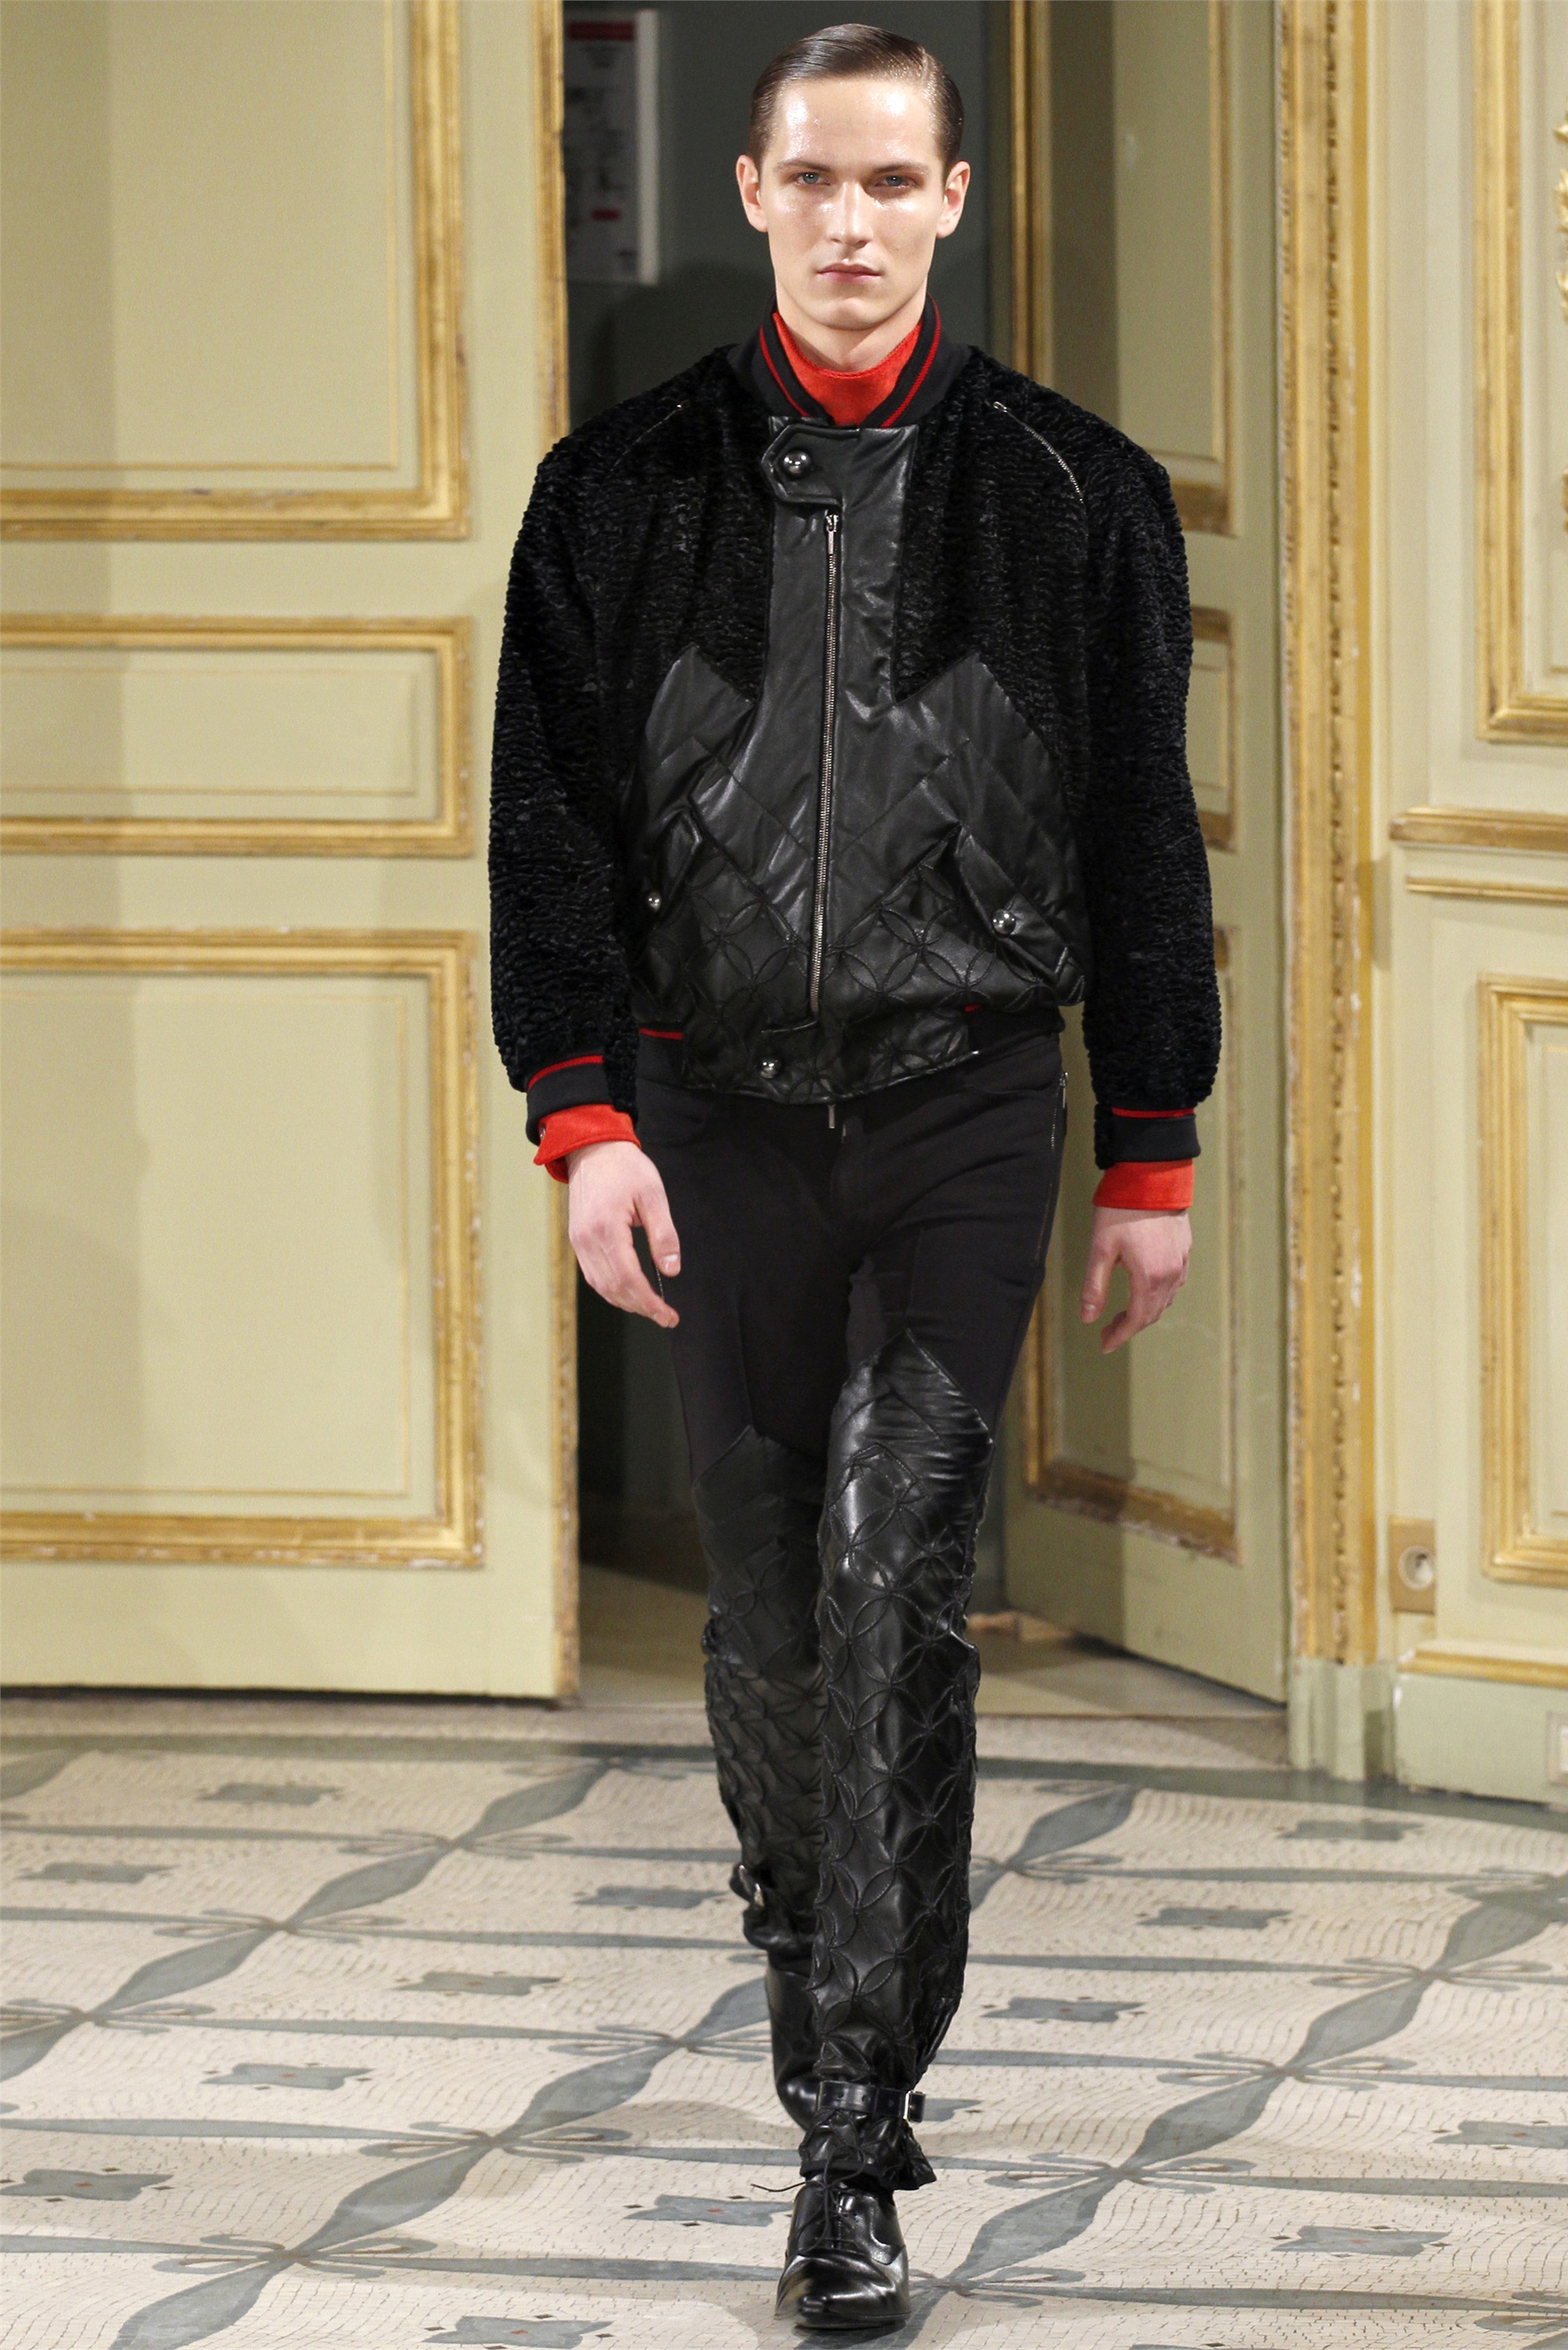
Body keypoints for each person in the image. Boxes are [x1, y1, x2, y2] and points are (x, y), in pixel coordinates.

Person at [490, 21, 1219, 2330]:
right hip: (711, 1111)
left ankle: (845, 2138)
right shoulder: (615, 495)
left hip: (961, 1104)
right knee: (771, 1627)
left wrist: (1155, 1142)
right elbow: (548, 828)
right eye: (811, 179)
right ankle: (820, 1961)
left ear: (953, 200)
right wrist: (582, 1116)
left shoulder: (1076, 494)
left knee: (900, 1571)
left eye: (892, 181)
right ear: (751, 191)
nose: (849, 220)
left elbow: (1141, 832)